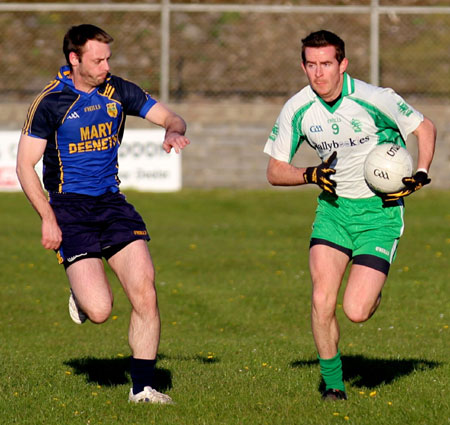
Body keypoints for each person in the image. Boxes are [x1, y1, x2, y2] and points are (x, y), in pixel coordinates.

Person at [16, 24, 190, 404]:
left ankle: (142, 388)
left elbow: (171, 116)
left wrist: (173, 131)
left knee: (145, 289)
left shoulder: (117, 91)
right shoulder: (51, 102)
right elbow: (24, 166)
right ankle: (82, 295)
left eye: (108, 58)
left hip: (112, 204)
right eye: (97, 60)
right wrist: (47, 217)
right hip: (68, 209)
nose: (105, 66)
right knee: (99, 310)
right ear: (74, 59)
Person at [264, 30, 436, 401]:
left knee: (356, 310)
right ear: (303, 66)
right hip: (334, 212)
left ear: (343, 64)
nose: (318, 73)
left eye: (326, 64)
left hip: (380, 213)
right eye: (311, 65)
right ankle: (334, 385)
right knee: (321, 299)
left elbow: (425, 128)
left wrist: (420, 173)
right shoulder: (298, 109)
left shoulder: (376, 99)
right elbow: (275, 170)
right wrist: (309, 174)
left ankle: (371, 290)